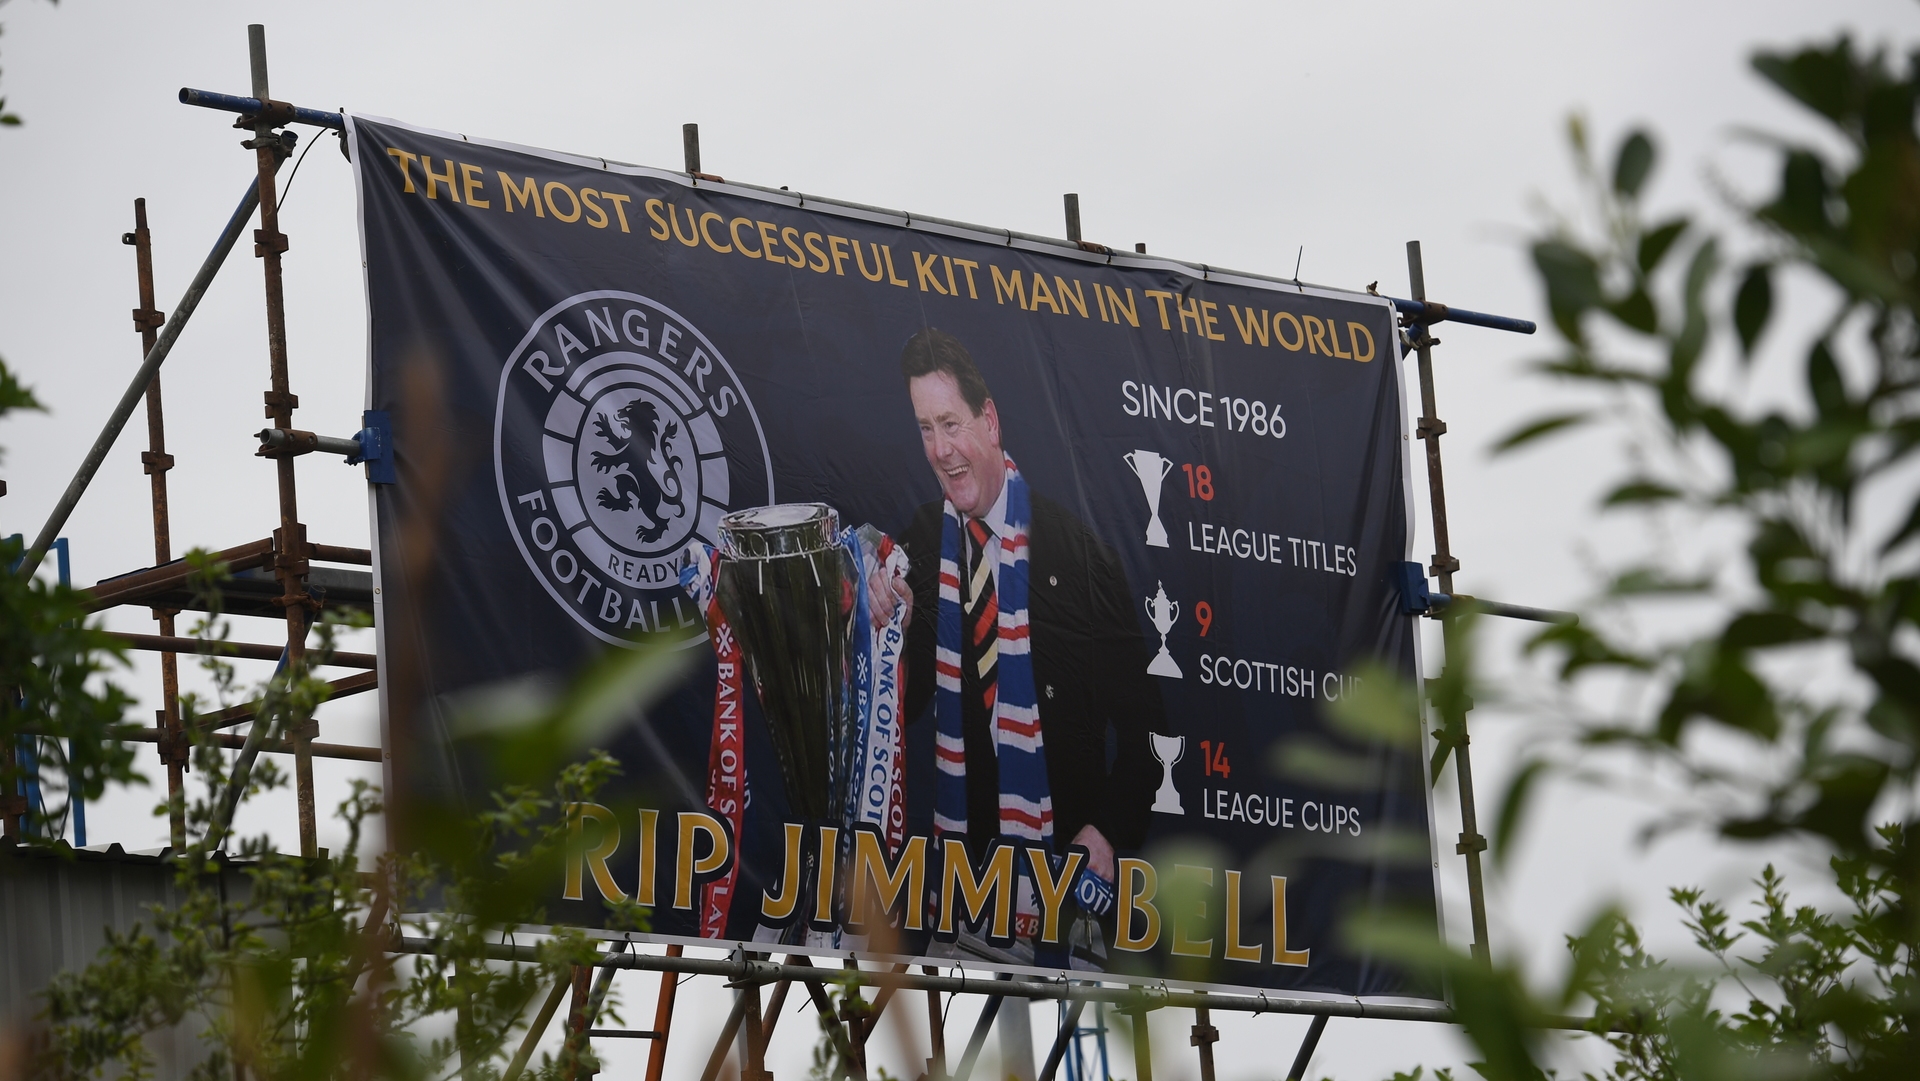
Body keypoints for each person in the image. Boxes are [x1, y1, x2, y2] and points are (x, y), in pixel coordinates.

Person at [874, 326, 1163, 966]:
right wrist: (882, 631)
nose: (941, 450)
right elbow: (907, 704)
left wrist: (1110, 834)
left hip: (1067, 894)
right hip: (961, 896)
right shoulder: (919, 541)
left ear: (991, 420)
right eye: (925, 428)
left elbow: (1148, 731)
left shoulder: (1076, 550)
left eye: (951, 423)